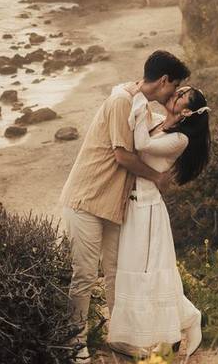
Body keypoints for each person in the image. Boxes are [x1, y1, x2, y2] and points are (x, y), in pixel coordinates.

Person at [59, 50, 191, 362]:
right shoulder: (122, 99)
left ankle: (119, 337)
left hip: (115, 205)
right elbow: (124, 155)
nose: (175, 93)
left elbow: (157, 133)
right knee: (85, 275)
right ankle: (74, 342)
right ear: (163, 81)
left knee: (117, 273)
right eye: (175, 87)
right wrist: (157, 177)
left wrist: (177, 119)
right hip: (87, 199)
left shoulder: (141, 104)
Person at [107, 85, 211, 359]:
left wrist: (139, 98)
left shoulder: (180, 139)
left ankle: (168, 330)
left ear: (186, 111)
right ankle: (187, 319)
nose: (175, 93)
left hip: (148, 208)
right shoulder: (159, 122)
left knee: (147, 272)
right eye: (179, 90)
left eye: (181, 96)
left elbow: (141, 145)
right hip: (133, 203)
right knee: (139, 270)